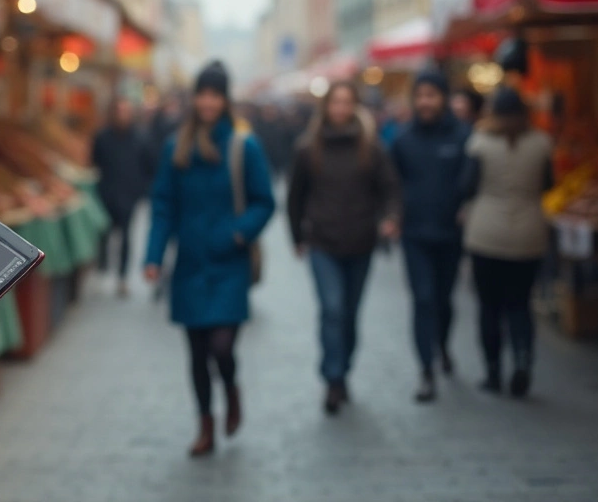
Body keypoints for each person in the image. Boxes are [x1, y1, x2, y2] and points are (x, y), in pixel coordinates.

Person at [143, 62, 276, 457]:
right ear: (194, 98)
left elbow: (265, 201)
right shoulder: (175, 147)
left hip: (229, 263)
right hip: (189, 265)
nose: (207, 101)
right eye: (202, 93)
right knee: (197, 352)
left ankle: (231, 389)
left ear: (225, 99)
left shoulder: (243, 145)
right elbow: (163, 205)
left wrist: (239, 233)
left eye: (215, 94)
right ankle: (206, 425)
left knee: (222, 345)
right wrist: (153, 256)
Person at [287, 82, 400, 415]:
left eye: (346, 102)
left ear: (354, 106)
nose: (340, 108)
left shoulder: (371, 147)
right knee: (332, 309)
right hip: (323, 242)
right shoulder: (308, 148)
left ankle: (344, 366)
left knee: (350, 314)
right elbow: (295, 197)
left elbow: (389, 188)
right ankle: (333, 378)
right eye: (335, 102)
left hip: (361, 240)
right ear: (326, 107)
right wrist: (297, 236)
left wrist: (391, 217)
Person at [461, 87, 553, 398]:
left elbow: (467, 185)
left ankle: (493, 371)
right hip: (529, 232)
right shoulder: (541, 143)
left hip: (487, 232)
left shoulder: (480, 142)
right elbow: (549, 184)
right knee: (520, 304)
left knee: (489, 306)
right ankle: (523, 360)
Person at [391, 69, 472, 403]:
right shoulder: (402, 140)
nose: (425, 102)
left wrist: (467, 206)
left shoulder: (463, 136)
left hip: (451, 234)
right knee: (422, 300)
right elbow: (391, 184)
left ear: (443, 98)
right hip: (414, 235)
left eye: (432, 95)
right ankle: (426, 370)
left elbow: (473, 180)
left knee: (444, 300)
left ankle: (443, 344)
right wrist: (391, 216)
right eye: (420, 95)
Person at [91, 98, 153, 297]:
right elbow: (95, 161)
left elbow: (148, 165)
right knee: (104, 233)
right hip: (107, 193)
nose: (122, 115)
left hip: (129, 194)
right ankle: (103, 270)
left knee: (126, 235)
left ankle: (122, 276)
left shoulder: (141, 137)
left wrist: (140, 190)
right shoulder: (102, 137)